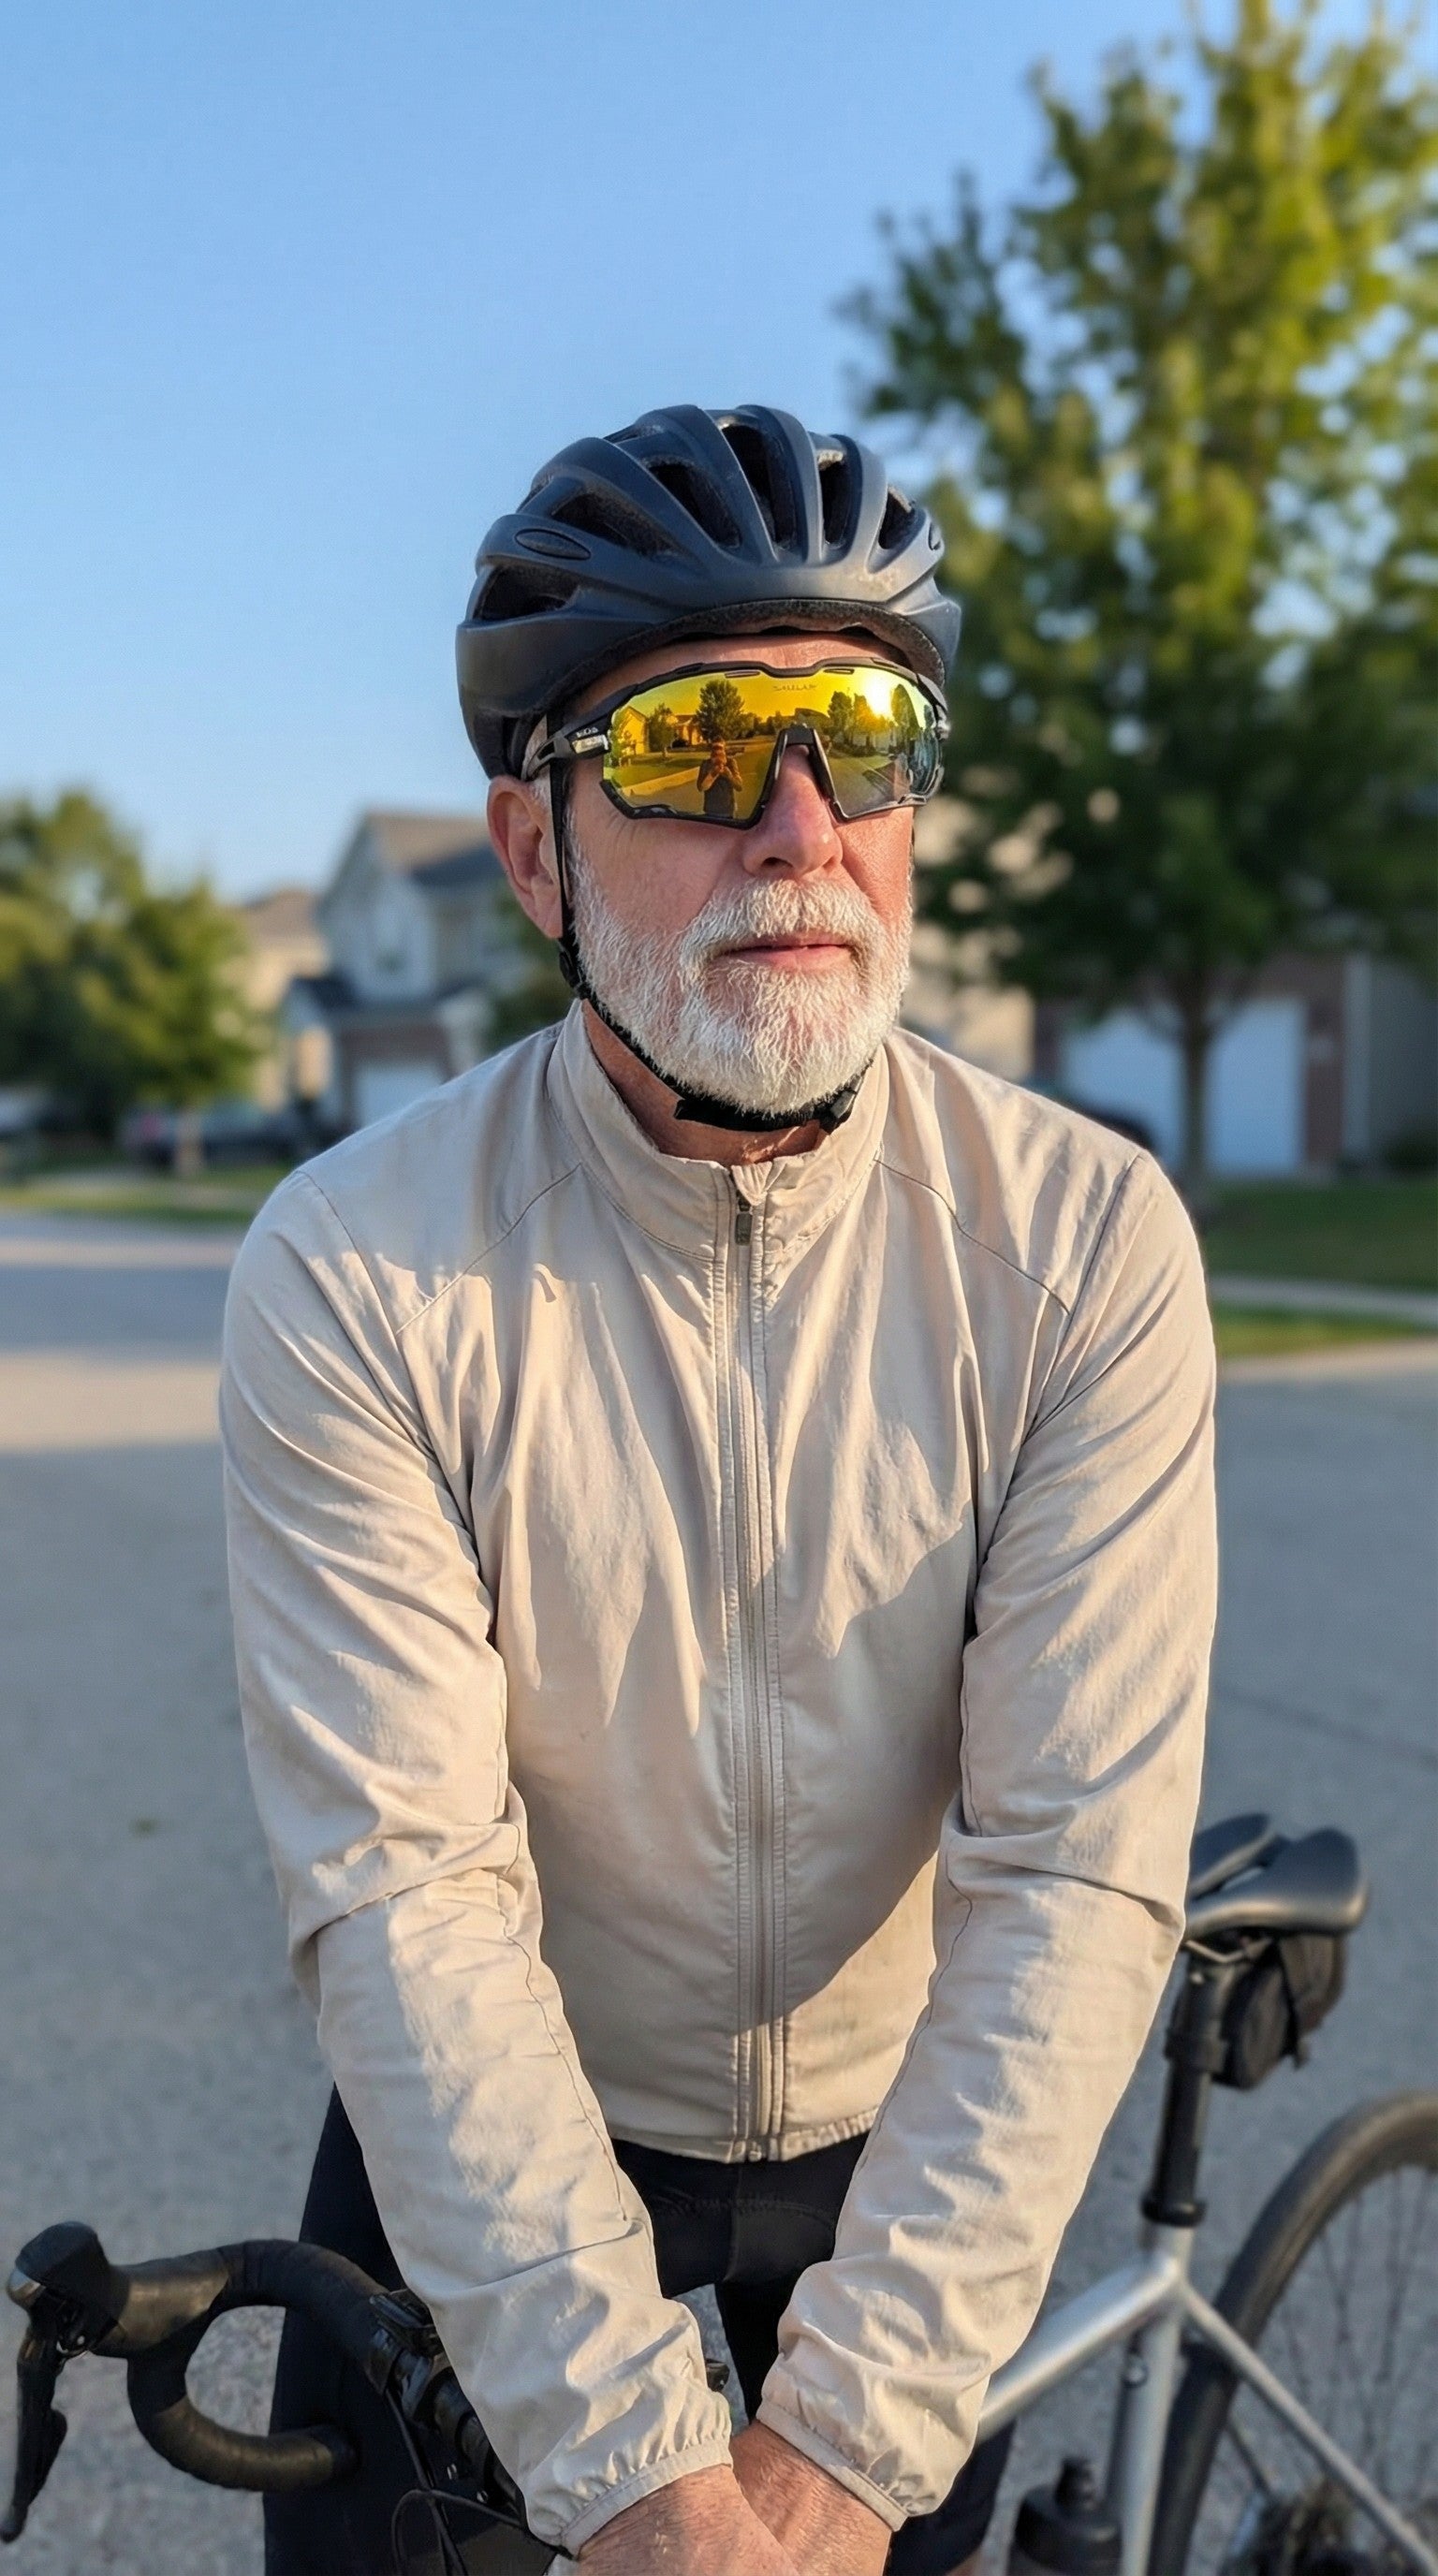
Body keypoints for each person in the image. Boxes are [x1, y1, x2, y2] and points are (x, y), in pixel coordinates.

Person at [221, 404, 1216, 2575]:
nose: (798, 823)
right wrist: (644, 2486)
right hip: (505, 2115)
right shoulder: (356, 1263)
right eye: (689, 747)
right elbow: (408, 1899)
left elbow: (1061, 1866)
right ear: (527, 848)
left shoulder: (1077, 1240)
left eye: (859, 733)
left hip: (898, 2136)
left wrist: (835, 2459)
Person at [697, 733, 742, 821]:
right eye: (714, 748)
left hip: (728, 811)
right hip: (710, 811)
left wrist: (728, 775)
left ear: (724, 750)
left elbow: (739, 786)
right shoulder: (706, 764)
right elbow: (701, 787)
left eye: (720, 748)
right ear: (711, 750)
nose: (717, 751)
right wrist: (713, 773)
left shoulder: (731, 763)